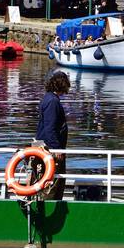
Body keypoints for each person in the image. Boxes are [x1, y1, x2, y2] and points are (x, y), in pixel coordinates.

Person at [34, 71, 71, 201]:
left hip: (46, 146)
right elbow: (50, 128)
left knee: (52, 180)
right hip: (50, 149)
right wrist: (56, 149)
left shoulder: (48, 98)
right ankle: (51, 203)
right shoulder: (53, 102)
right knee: (54, 182)